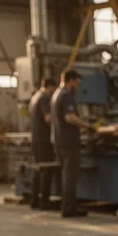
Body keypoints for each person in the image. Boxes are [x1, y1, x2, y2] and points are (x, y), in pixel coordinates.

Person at [51, 69, 94, 218]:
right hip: (69, 142)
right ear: (71, 80)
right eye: (76, 82)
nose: (77, 85)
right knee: (70, 176)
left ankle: (68, 205)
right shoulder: (66, 95)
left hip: (59, 141)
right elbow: (69, 118)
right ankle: (69, 208)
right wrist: (88, 126)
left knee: (66, 175)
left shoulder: (56, 94)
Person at [28, 76, 59, 209]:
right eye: (54, 89)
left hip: (36, 139)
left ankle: (34, 199)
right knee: (46, 170)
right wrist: (60, 119)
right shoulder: (45, 98)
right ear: (50, 87)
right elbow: (48, 118)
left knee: (38, 169)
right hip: (44, 140)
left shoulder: (34, 97)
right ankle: (44, 201)